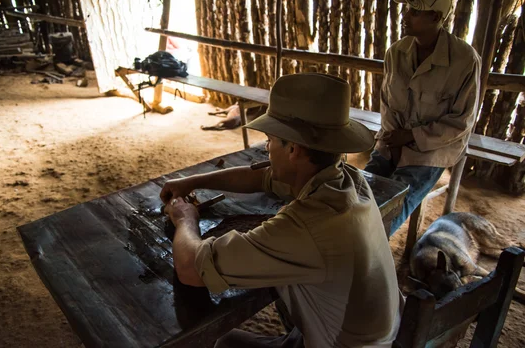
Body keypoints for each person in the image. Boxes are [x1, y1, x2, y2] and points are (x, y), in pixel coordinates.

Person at [160, 73, 403, 348]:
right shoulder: (345, 179)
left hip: (342, 344)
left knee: (223, 343)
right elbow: (262, 178)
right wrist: (196, 180)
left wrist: (184, 219)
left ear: (294, 150)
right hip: (369, 334)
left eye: (270, 140)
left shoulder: (307, 226)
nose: (266, 148)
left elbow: (190, 267)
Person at [365, 0, 481, 235]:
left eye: (415, 12)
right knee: (360, 193)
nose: (405, 16)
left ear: (436, 18)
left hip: (432, 149)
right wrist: (394, 143)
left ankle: (369, 259)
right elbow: (388, 103)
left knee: (390, 209)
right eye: (407, 9)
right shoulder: (396, 52)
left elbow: (461, 122)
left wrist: (409, 138)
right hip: (392, 141)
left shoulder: (464, 60)